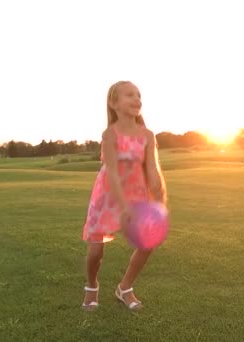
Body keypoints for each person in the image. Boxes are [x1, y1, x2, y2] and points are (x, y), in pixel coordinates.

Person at [81, 80, 167, 311]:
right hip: (108, 196)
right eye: (130, 94)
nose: (137, 99)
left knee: (147, 243)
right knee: (95, 251)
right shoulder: (109, 134)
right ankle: (91, 286)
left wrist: (159, 202)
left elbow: (152, 169)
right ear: (114, 103)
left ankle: (125, 288)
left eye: (139, 95)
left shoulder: (147, 135)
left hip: (136, 195)